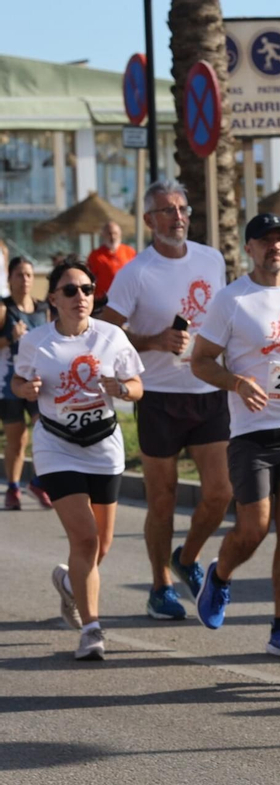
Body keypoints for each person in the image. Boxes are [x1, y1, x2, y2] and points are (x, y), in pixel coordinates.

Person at [189, 214, 280, 657]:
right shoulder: (232, 300)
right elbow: (201, 360)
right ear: (249, 248)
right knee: (254, 527)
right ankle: (220, 576)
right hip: (252, 433)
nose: (275, 246)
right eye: (266, 240)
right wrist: (236, 382)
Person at [99, 179, 232, 622]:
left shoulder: (212, 259)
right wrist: (154, 340)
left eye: (183, 208)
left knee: (221, 492)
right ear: (148, 220)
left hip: (208, 390)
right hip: (158, 397)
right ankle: (160, 587)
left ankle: (187, 557)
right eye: (167, 210)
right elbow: (106, 331)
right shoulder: (135, 272)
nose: (178, 217)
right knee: (162, 499)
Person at [11, 257, 144, 661]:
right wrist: (26, 390)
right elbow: (17, 381)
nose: (80, 297)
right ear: (53, 298)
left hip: (103, 445)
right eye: (70, 290)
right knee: (84, 538)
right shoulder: (36, 342)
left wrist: (122, 389)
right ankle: (91, 630)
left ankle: (70, 583)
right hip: (57, 445)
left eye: (87, 289)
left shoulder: (111, 336)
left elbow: (137, 384)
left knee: (101, 545)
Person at [1, 256, 53, 510]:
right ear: (10, 279)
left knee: (46, 432)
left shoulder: (43, 309)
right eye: (19, 275)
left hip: (38, 383)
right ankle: (13, 488)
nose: (25, 280)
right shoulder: (4, 309)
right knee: (17, 439)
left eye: (29, 275)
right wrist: (10, 338)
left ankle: (38, 482)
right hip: (8, 384)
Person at [86, 221, 136, 304]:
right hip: (103, 301)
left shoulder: (129, 252)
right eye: (109, 233)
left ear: (120, 234)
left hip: (127, 299)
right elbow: (89, 279)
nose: (113, 237)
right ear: (103, 235)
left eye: (115, 233)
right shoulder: (95, 255)